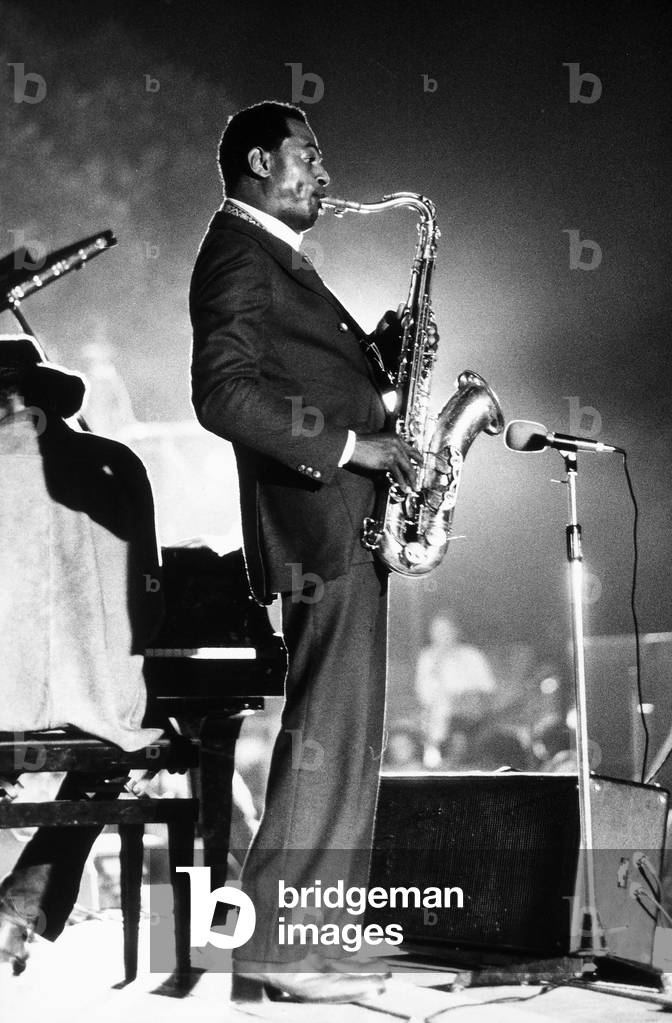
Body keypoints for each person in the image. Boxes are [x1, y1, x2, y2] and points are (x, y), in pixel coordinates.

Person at [190, 101, 422, 1003]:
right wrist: (350, 447)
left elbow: (294, 375)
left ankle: (313, 933)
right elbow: (222, 392)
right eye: (309, 156)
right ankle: (284, 941)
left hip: (343, 515)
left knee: (346, 727)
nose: (325, 175)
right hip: (320, 518)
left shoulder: (274, 257)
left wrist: (380, 360)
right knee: (329, 727)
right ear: (259, 161)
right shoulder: (238, 251)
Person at [0, 334, 164, 974]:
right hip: (95, 696)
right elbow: (148, 598)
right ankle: (25, 900)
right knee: (117, 751)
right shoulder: (115, 464)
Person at [415, 614, 496, 766]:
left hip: (470, 713)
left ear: (455, 631)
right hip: (439, 716)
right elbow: (423, 694)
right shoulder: (427, 657)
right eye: (436, 631)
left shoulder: (472, 654)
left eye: (445, 630)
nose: (441, 635)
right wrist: (436, 667)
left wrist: (464, 697)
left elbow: (488, 687)